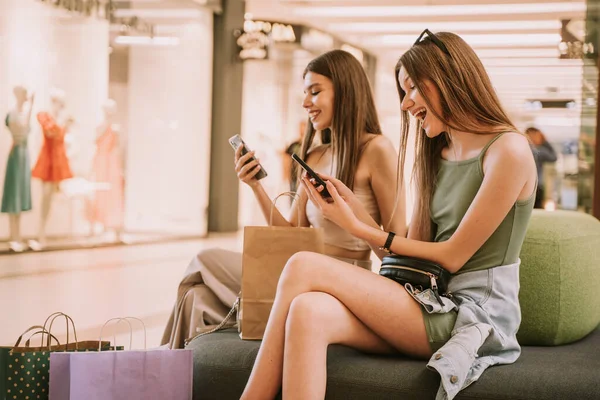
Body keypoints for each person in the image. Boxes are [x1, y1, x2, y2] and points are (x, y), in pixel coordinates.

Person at [241, 30, 537, 400]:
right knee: (306, 311)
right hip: (430, 301)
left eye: (413, 88)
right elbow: (409, 261)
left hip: (473, 317)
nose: (405, 103)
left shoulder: (508, 150)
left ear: (448, 78)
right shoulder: (437, 155)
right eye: (403, 91)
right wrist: (358, 216)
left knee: (303, 264)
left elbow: (454, 256)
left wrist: (355, 225)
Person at [161, 49, 406, 349]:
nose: (306, 103)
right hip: (299, 270)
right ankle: (169, 374)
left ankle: (158, 366)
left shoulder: (377, 150)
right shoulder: (315, 155)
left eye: (315, 92)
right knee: (195, 297)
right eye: (305, 93)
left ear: (345, 91)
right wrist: (255, 186)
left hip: (345, 279)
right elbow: (292, 236)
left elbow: (397, 247)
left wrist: (351, 219)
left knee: (203, 259)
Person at [525, 126, 557, 208]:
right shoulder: (537, 151)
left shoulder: (523, 148)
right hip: (536, 187)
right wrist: (544, 141)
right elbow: (553, 157)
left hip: (527, 186)